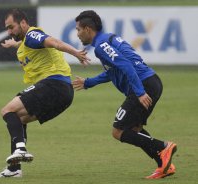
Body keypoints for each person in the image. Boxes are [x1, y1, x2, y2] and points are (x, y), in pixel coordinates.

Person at [72, 10, 177, 179]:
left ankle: (163, 147)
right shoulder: (108, 38)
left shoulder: (100, 46)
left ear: (88, 29)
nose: (77, 34)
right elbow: (114, 70)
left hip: (143, 85)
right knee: (135, 129)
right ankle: (164, 165)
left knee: (118, 131)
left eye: (78, 29)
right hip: (152, 81)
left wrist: (140, 92)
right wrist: (88, 82)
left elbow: (127, 66)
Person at [0, 9, 90, 178]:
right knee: (17, 118)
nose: (9, 32)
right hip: (64, 93)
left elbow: (54, 42)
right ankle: (14, 169)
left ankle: (20, 149)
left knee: (7, 111)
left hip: (54, 84)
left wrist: (75, 53)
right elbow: (27, 44)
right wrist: (13, 44)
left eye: (11, 27)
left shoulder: (32, 35)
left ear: (23, 22)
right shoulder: (26, 41)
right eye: (7, 28)